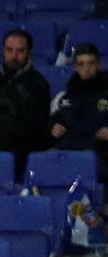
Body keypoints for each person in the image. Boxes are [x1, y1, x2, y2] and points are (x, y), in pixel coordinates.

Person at [0, 29, 51, 180]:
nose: (14, 56)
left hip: (22, 149)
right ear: (3, 51)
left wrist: (2, 143)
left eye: (20, 51)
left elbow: (35, 124)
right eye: (9, 50)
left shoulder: (39, 84)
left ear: (28, 53)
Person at [50, 43, 108, 181]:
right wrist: (54, 127)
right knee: (46, 160)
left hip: (100, 152)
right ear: (75, 67)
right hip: (69, 148)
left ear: (98, 65)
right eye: (81, 64)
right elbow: (57, 120)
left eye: (90, 63)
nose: (86, 69)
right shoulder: (66, 95)